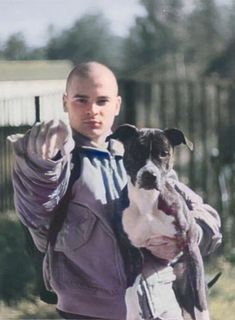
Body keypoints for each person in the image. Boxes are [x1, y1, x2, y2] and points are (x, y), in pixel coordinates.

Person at [9, 62, 222, 320]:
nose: (92, 110)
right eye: (81, 100)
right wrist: (40, 159)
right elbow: (36, 204)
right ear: (65, 102)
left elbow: (204, 215)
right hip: (92, 313)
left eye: (102, 101)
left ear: (117, 105)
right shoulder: (60, 163)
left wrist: (189, 235)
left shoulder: (143, 155)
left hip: (165, 309)